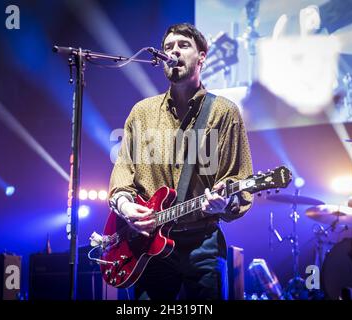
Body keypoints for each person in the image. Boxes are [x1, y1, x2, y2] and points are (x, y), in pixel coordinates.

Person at [108, 23, 253, 300]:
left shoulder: (224, 112)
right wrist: (126, 206)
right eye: (168, 47)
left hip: (203, 242)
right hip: (148, 246)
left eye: (183, 45)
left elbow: (238, 179)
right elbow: (123, 172)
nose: (173, 51)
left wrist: (226, 202)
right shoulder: (142, 113)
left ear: (202, 57)